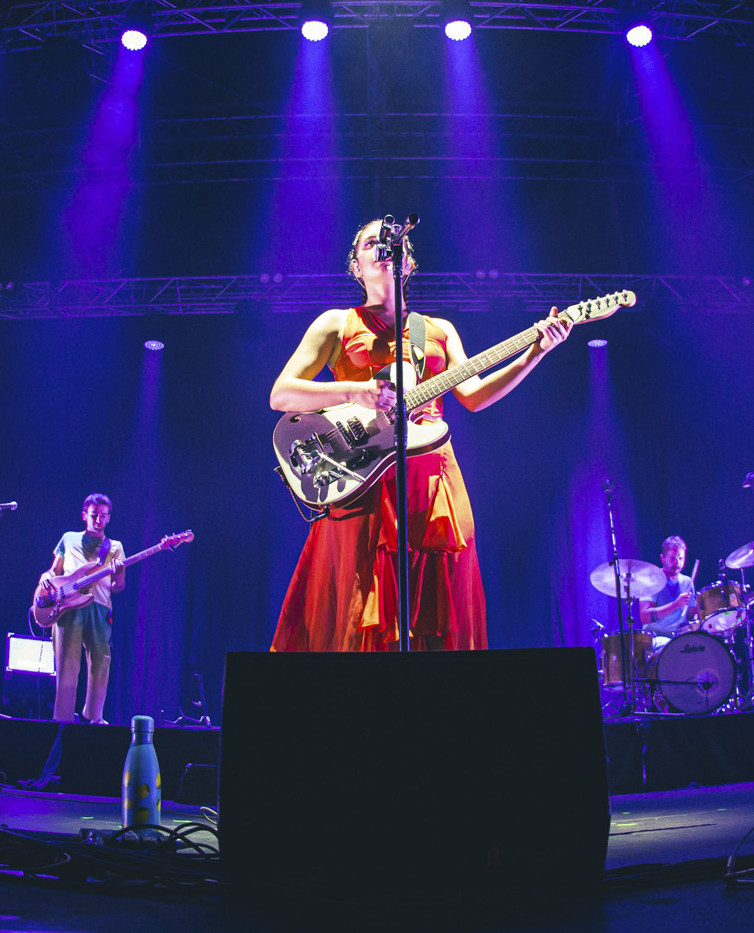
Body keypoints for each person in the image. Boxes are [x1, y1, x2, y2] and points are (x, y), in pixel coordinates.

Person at [269, 218, 574, 650]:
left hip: (432, 479)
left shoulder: (437, 330)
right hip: (363, 476)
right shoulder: (336, 323)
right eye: (370, 243)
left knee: (439, 597)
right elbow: (282, 394)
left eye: (389, 242)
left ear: (407, 262)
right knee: (362, 601)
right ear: (355, 266)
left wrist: (534, 353)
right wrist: (355, 391)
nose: (381, 248)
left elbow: (473, 396)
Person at [34, 493, 125, 723]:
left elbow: (118, 587)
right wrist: (46, 575)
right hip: (67, 605)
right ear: (84, 515)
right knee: (67, 666)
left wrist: (120, 573)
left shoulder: (115, 547)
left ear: (109, 517)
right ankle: (62, 721)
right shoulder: (69, 538)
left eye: (103, 516)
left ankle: (94, 717)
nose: (99, 520)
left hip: (99, 607)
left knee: (101, 662)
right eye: (94, 515)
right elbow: (54, 570)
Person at [640, 535, 698, 640]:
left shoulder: (687, 581)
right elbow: (644, 617)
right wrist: (675, 605)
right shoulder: (652, 579)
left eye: (681, 558)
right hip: (656, 637)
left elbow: (691, 616)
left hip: (679, 637)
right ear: (662, 558)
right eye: (672, 558)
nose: (677, 563)